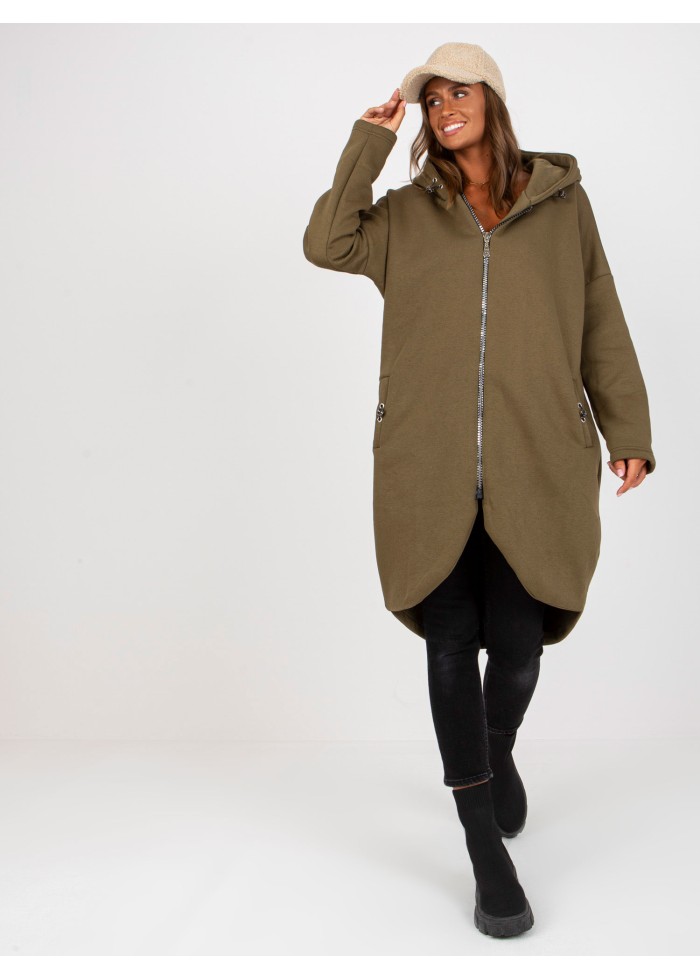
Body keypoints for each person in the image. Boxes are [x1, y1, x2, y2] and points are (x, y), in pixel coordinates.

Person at [302, 42, 655, 939]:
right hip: (427, 464)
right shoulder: (404, 217)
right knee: (451, 641)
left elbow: (600, 315)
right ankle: (483, 846)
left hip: (538, 458)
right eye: (431, 100)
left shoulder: (563, 206)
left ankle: (493, 750)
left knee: (521, 643)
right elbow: (326, 242)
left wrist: (629, 430)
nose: (443, 108)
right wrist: (369, 140)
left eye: (459, 92)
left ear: (492, 100)